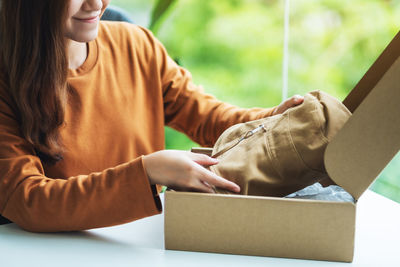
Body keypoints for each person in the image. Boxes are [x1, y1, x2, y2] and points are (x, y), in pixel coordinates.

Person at [0, 0, 304, 232]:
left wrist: (273, 117)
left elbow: (208, 117)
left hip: (142, 243)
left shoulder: (136, 45)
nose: (97, 4)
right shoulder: (6, 78)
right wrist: (145, 173)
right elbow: (26, 198)